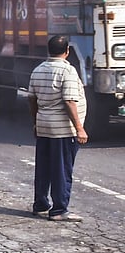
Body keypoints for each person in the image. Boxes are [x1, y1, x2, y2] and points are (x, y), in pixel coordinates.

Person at [28, 35, 88, 221]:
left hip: (44, 127)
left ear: (49, 50)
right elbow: (69, 101)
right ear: (67, 51)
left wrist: (36, 121)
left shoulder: (38, 70)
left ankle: (40, 205)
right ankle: (59, 210)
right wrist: (79, 128)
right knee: (62, 169)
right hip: (63, 130)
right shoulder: (67, 71)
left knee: (44, 168)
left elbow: (31, 98)